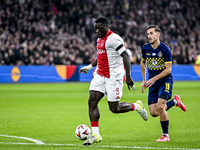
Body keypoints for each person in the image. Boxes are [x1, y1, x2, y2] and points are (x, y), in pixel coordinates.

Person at [79, 17, 148, 145]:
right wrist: (89, 67)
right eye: (96, 29)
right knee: (92, 101)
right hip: (100, 75)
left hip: (113, 77)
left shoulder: (114, 39)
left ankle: (137, 106)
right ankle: (96, 135)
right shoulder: (99, 39)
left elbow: (126, 56)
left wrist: (128, 76)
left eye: (100, 28)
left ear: (106, 27)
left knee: (114, 108)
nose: (97, 31)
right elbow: (100, 56)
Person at [140, 25, 187, 142]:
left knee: (160, 106)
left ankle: (165, 135)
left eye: (151, 33)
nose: (149, 36)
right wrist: (144, 80)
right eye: (148, 34)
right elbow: (142, 62)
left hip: (164, 81)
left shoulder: (165, 49)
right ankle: (175, 101)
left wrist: (154, 79)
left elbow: (168, 69)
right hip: (152, 82)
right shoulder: (145, 48)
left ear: (158, 34)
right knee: (154, 112)